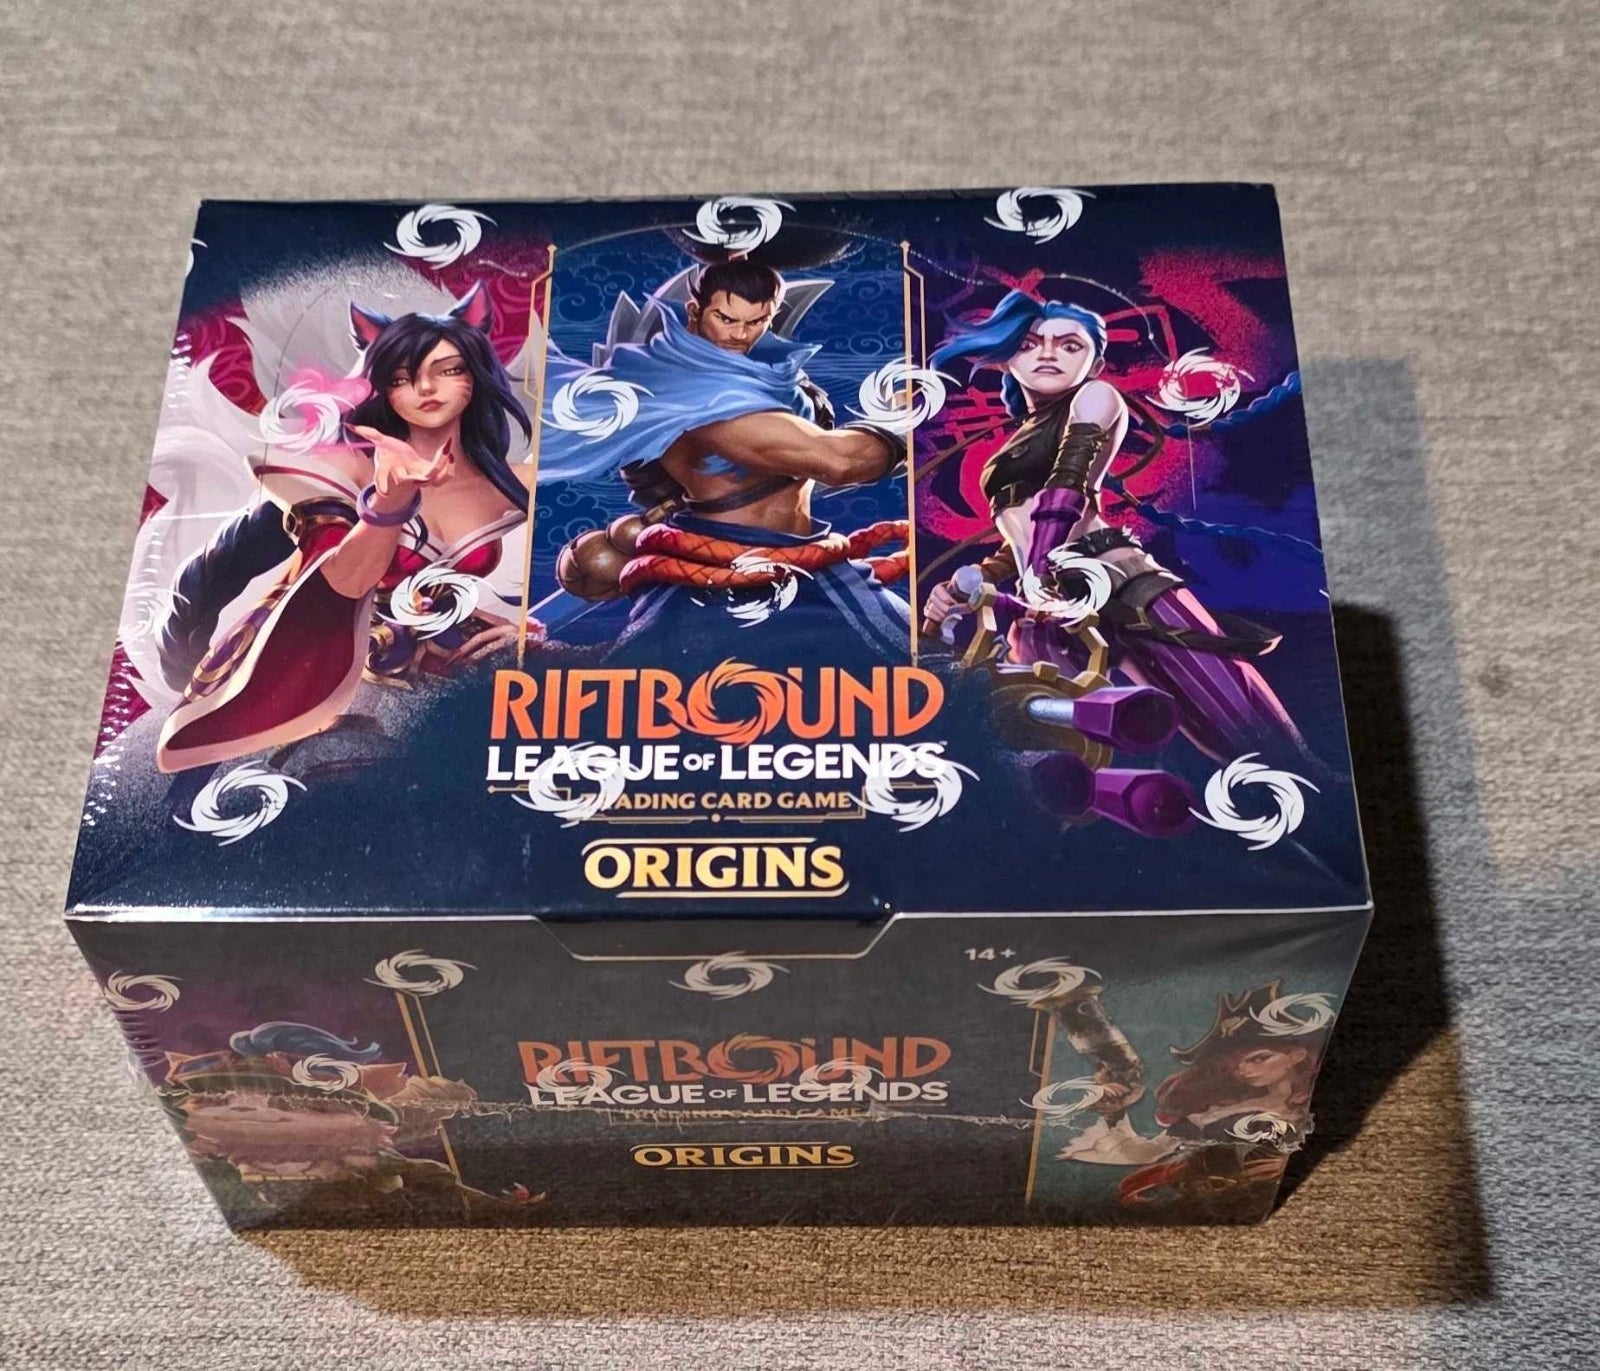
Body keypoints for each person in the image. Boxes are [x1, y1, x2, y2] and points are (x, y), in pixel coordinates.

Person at [153, 283, 546, 773]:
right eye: (403, 377)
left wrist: (528, 631)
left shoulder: (517, 484)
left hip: (449, 669)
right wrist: (389, 504)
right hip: (338, 659)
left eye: (449, 370)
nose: (426, 388)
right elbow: (341, 582)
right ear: (384, 387)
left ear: (477, 374)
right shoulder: (344, 472)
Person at [925, 292, 1310, 769]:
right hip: (1049, 606)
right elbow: (1019, 532)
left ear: (1095, 363)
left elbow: (1066, 488)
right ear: (1007, 359)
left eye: (1070, 345)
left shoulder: (1096, 396)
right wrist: (971, 582)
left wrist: (1041, 570)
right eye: (1030, 343)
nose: (1049, 353)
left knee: (1238, 728)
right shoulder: (1018, 437)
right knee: (1050, 742)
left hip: (1116, 581)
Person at [542, 257, 911, 666]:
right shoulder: (693, 394)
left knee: (920, 661)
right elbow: (837, 461)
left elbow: (817, 460)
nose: (740, 334)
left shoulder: (759, 373)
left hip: (798, 557)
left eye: (756, 322)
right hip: (725, 578)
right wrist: (909, 425)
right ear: (694, 311)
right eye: (726, 319)